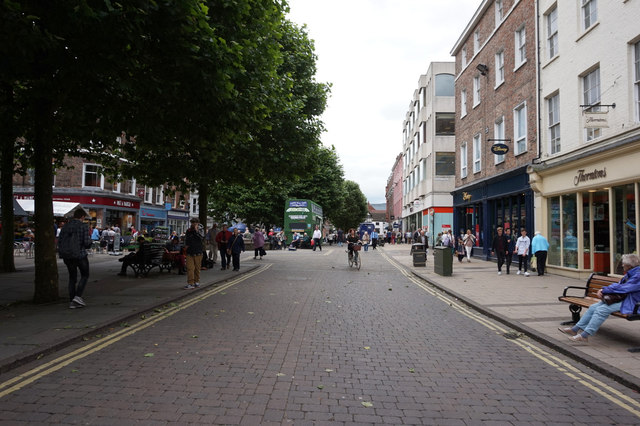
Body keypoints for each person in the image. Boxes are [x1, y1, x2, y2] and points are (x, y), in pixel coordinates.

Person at [560, 254, 640, 343]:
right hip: (624, 299)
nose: (622, 265)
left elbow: (625, 288)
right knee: (593, 307)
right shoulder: (631, 273)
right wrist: (603, 290)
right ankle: (574, 329)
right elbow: (618, 285)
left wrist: (605, 290)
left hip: (633, 303)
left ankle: (584, 335)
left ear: (629, 266)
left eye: (623, 264)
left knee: (602, 310)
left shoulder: (638, 275)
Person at [57, 209, 92, 309]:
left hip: (67, 255)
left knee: (72, 277)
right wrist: (90, 242)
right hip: (80, 255)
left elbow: (60, 241)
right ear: (82, 217)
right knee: (85, 275)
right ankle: (77, 297)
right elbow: (86, 243)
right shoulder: (83, 226)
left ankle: (72, 300)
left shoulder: (65, 226)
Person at [184, 218, 204, 289]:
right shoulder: (188, 231)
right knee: (190, 268)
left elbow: (201, 238)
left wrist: (196, 230)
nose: (193, 224)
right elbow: (186, 240)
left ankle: (196, 282)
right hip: (190, 252)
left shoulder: (201, 230)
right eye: (192, 223)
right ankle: (190, 283)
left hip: (198, 252)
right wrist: (186, 246)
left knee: (197, 268)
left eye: (195, 223)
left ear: (198, 223)